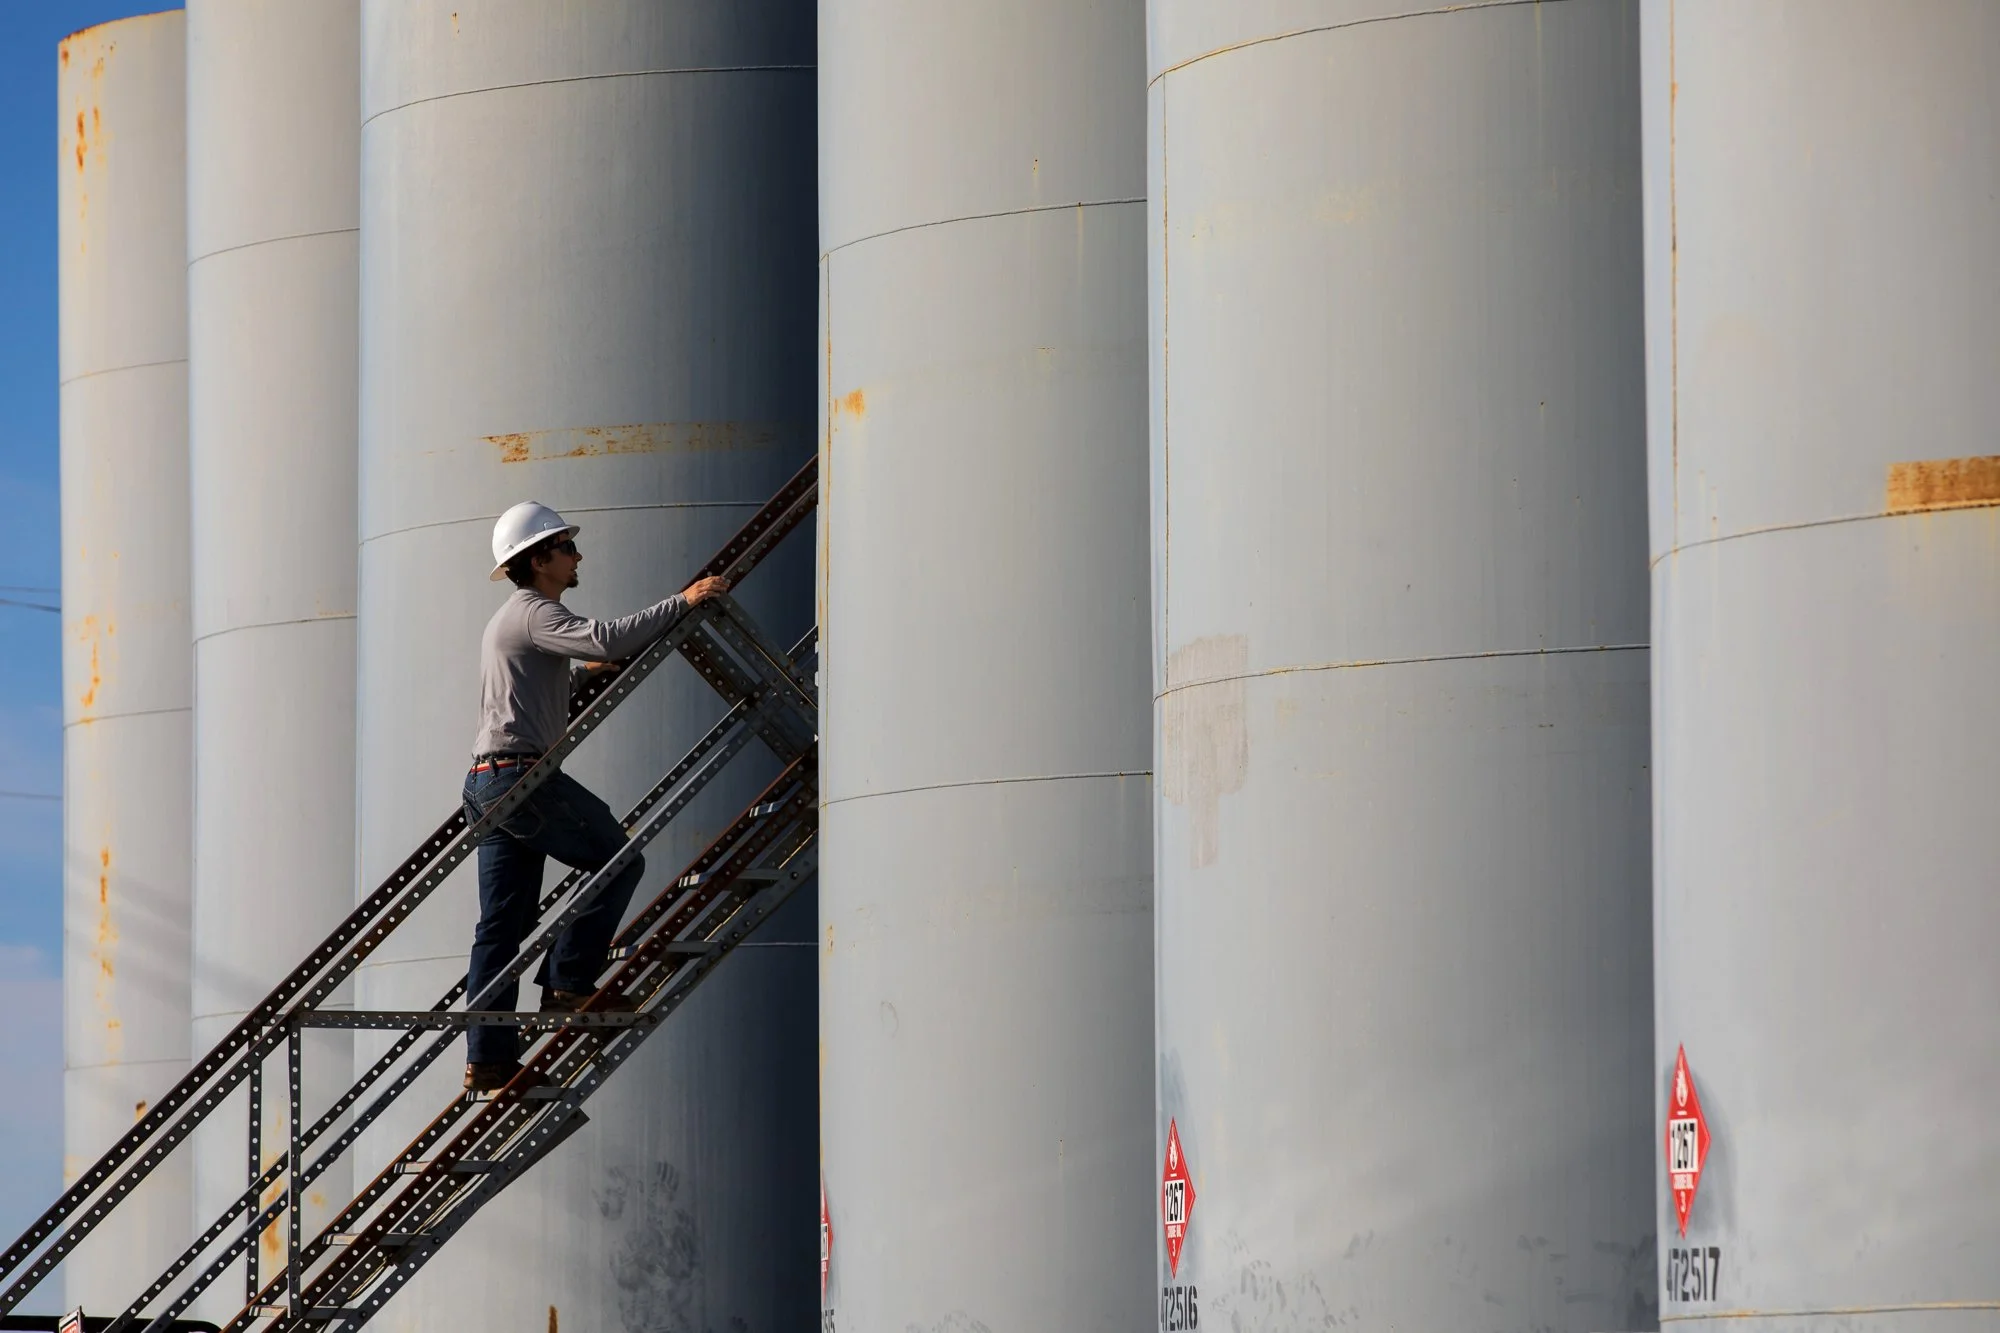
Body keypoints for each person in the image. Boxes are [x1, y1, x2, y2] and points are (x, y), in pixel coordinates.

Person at [460, 500, 730, 1093]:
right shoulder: (534, 611)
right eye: (566, 547)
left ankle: (489, 1056)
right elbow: (602, 636)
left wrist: (584, 677)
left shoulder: (514, 619)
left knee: (501, 928)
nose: (577, 555)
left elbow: (535, 683)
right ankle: (570, 981)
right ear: (538, 560)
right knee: (619, 858)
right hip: (520, 777)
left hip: (489, 779)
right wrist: (683, 602)